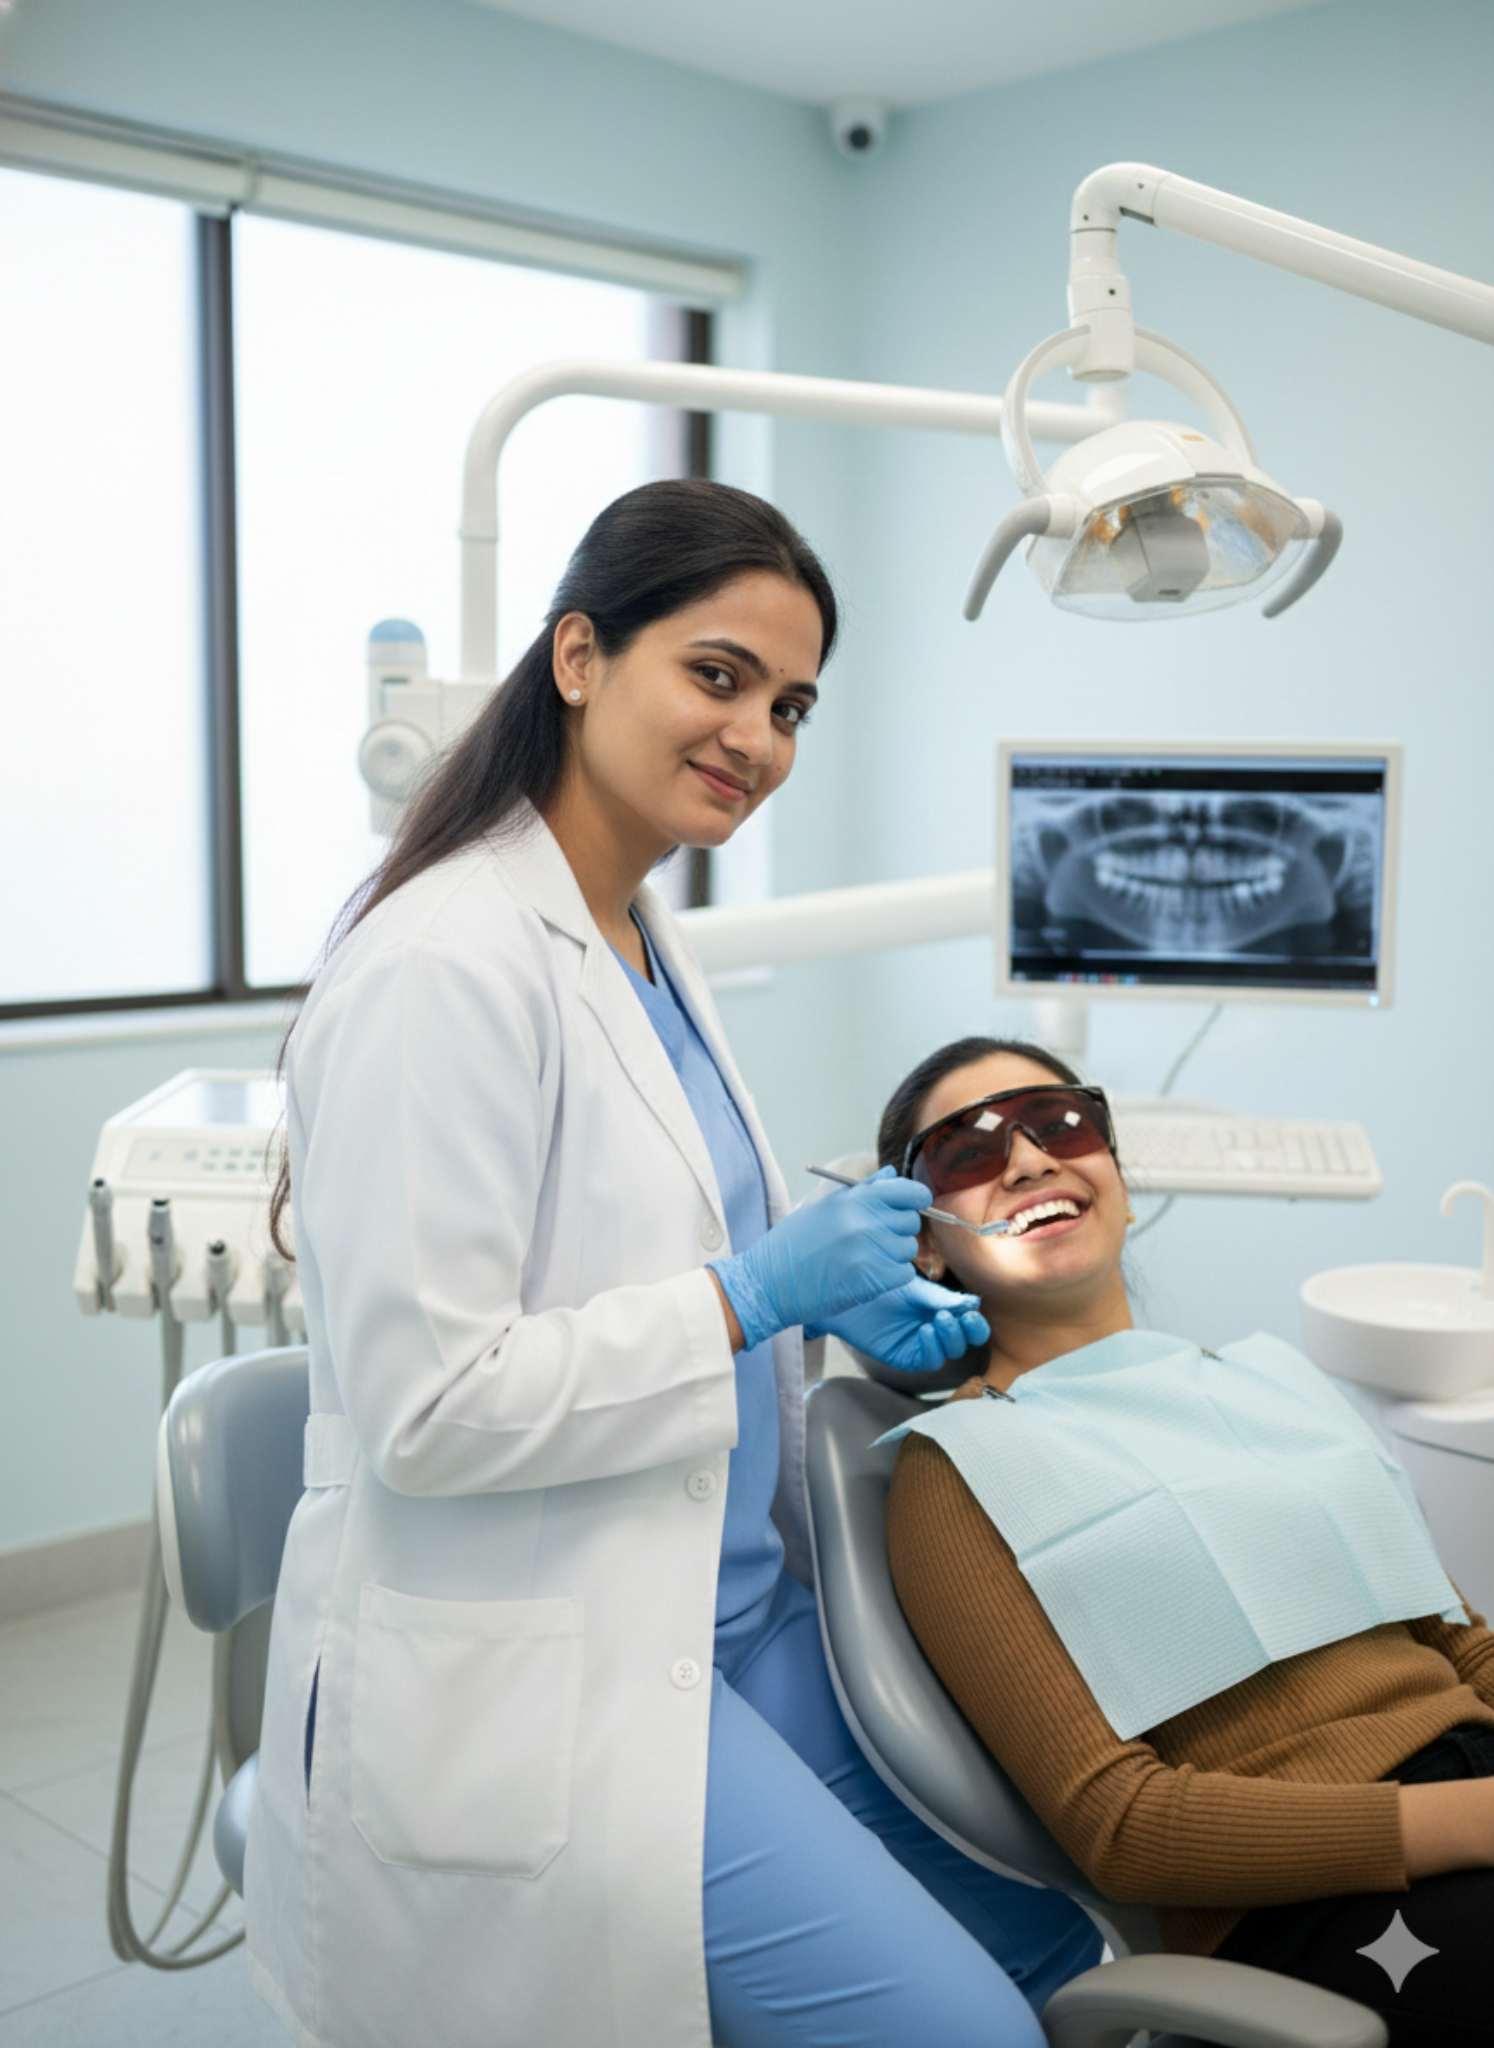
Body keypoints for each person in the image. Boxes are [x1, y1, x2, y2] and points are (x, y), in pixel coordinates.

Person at [246, 484, 1100, 2048]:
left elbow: (651, 1253)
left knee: (1057, 1951)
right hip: (555, 1676)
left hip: (731, 1618)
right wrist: (749, 1292)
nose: (757, 739)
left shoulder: (637, 933)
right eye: (715, 677)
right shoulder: (443, 963)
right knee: (962, 2032)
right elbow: (427, 1413)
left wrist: (831, 1316)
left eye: (788, 706)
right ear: (579, 656)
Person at [881, 1034, 1494, 2048]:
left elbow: (1460, 1641)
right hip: (1321, 1902)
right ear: (928, 1240)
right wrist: (1473, 1820)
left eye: (1061, 1123)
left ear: (1117, 1177)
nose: (1030, 1158)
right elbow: (1123, 1826)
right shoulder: (955, 1470)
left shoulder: (1269, 1377)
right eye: (967, 1151)